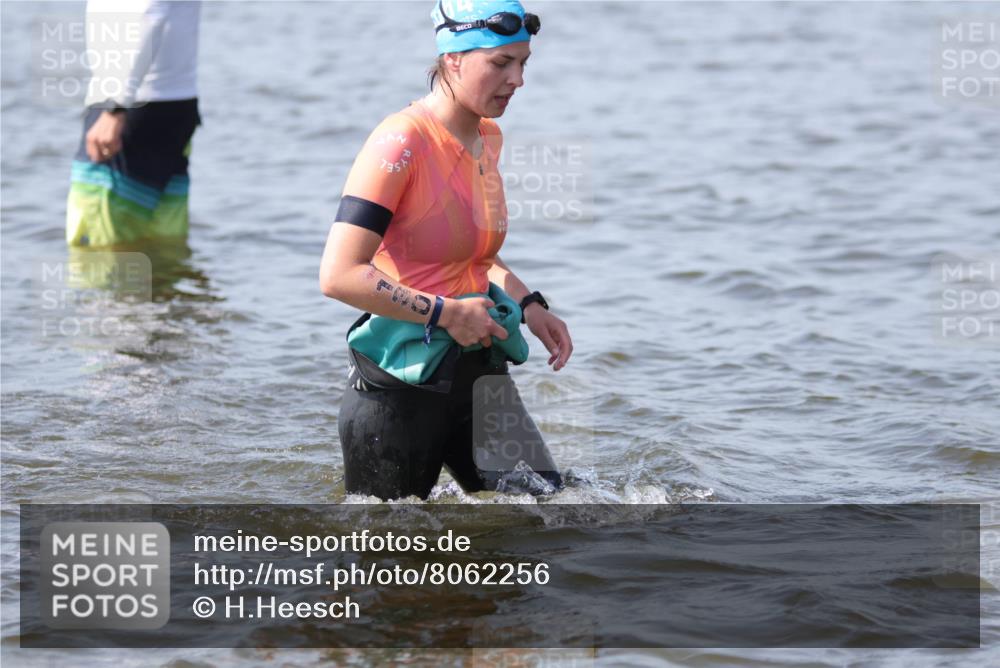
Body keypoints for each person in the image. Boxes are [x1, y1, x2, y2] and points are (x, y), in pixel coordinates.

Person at [319, 0, 573, 501]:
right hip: (400, 391)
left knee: (553, 514)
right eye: (501, 63)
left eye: (523, 63)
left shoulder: (487, 137)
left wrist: (529, 304)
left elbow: (471, 256)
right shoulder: (400, 142)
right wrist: (448, 313)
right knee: (390, 549)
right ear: (453, 59)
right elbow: (339, 274)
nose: (518, 80)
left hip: (480, 375)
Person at [66, 0, 201, 247]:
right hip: (175, 101)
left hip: (131, 104)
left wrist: (116, 106)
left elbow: (150, 13)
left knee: (96, 249)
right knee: (164, 245)